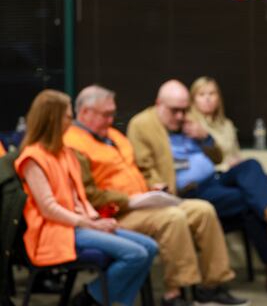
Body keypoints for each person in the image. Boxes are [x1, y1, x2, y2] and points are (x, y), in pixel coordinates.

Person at [63, 85, 247, 306]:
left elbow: (138, 170)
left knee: (203, 209)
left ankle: (212, 286)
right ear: (85, 113)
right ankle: (175, 294)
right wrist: (129, 200)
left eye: (113, 113)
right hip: (114, 212)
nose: (112, 120)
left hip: (143, 202)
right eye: (106, 114)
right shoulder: (73, 143)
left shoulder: (112, 136)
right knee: (172, 218)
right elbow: (88, 194)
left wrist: (152, 188)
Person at [127, 80, 267, 295]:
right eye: (175, 111)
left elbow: (217, 157)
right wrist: (158, 185)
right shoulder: (143, 125)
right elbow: (143, 167)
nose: (181, 116)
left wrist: (205, 137)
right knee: (252, 202)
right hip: (188, 192)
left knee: (251, 166)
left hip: (214, 181)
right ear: (158, 103)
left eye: (184, 110)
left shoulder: (187, 122)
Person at [14, 89, 158, 306]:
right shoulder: (33, 158)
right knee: (135, 254)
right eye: (68, 116)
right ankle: (88, 299)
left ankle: (104, 299)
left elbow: (79, 197)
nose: (71, 122)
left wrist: (96, 219)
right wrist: (89, 224)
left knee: (150, 247)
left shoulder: (64, 152)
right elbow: (49, 208)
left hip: (81, 224)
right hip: (58, 229)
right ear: (53, 118)